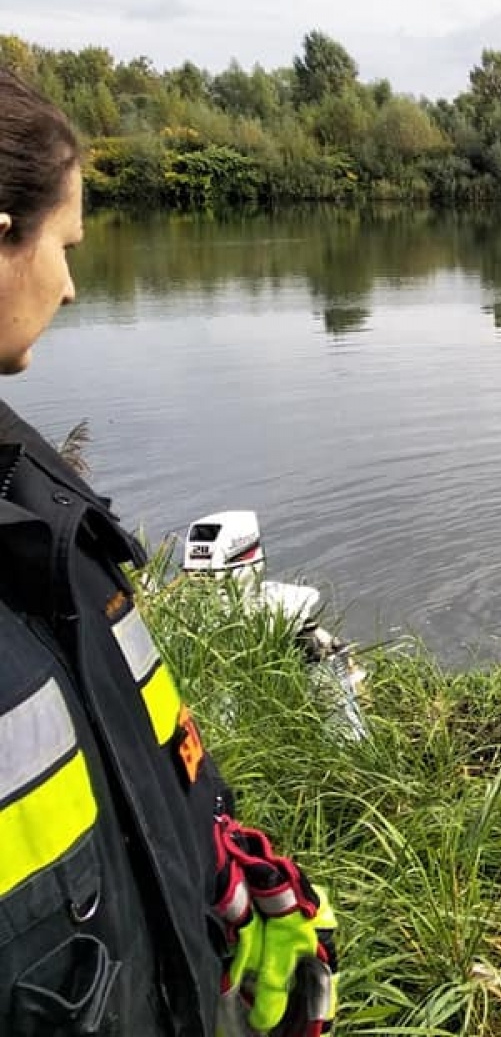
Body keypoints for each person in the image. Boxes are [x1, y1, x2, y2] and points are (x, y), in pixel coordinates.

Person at [0, 70, 336, 1036]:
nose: (70, 283)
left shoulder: (39, 507)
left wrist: (223, 852)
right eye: (61, 247)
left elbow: (135, 732)